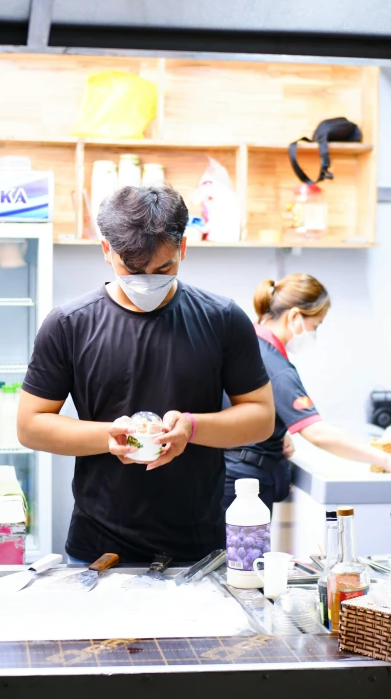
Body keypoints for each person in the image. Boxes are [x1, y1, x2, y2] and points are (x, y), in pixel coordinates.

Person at [18, 185, 274, 563]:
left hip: (197, 551)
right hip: (99, 550)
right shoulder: (69, 324)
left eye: (164, 268)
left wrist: (192, 427)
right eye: (132, 269)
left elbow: (261, 417)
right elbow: (30, 425)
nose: (147, 280)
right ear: (107, 250)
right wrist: (108, 436)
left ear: (182, 249)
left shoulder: (222, 319)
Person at [222, 272, 391, 513]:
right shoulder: (273, 363)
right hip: (244, 481)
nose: (314, 334)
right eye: (316, 325)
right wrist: (383, 458)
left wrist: (275, 428)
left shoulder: (246, 343)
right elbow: (316, 432)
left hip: (227, 475)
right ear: (294, 317)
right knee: (244, 549)